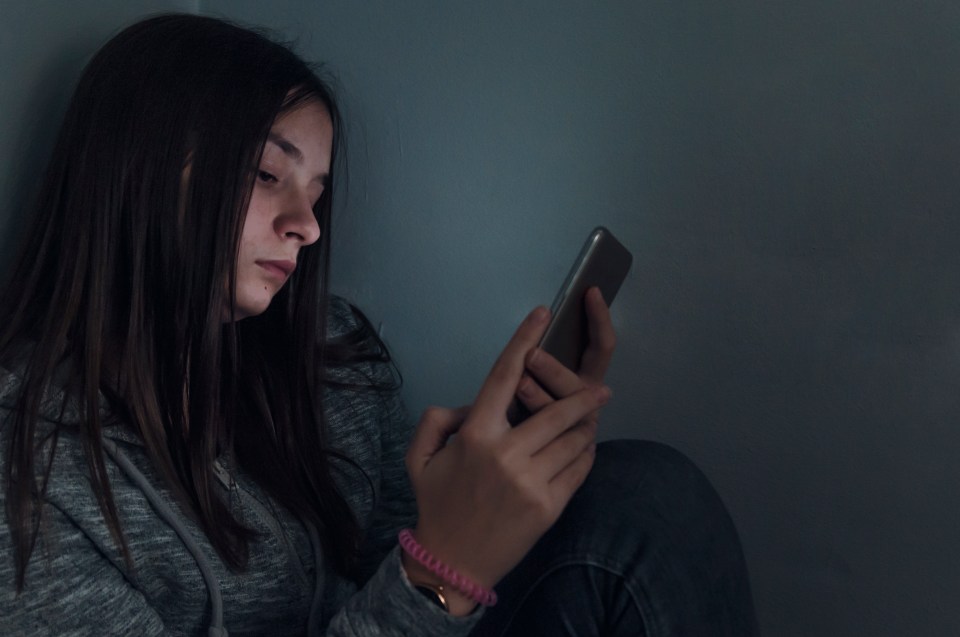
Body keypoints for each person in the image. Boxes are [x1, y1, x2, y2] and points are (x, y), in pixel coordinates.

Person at [0, 13, 757, 636]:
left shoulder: (330, 355)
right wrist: (439, 574)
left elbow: (387, 559)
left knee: (644, 496)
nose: (307, 225)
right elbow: (426, 580)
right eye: (267, 175)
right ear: (141, 169)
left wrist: (493, 485)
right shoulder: (31, 479)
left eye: (316, 193)